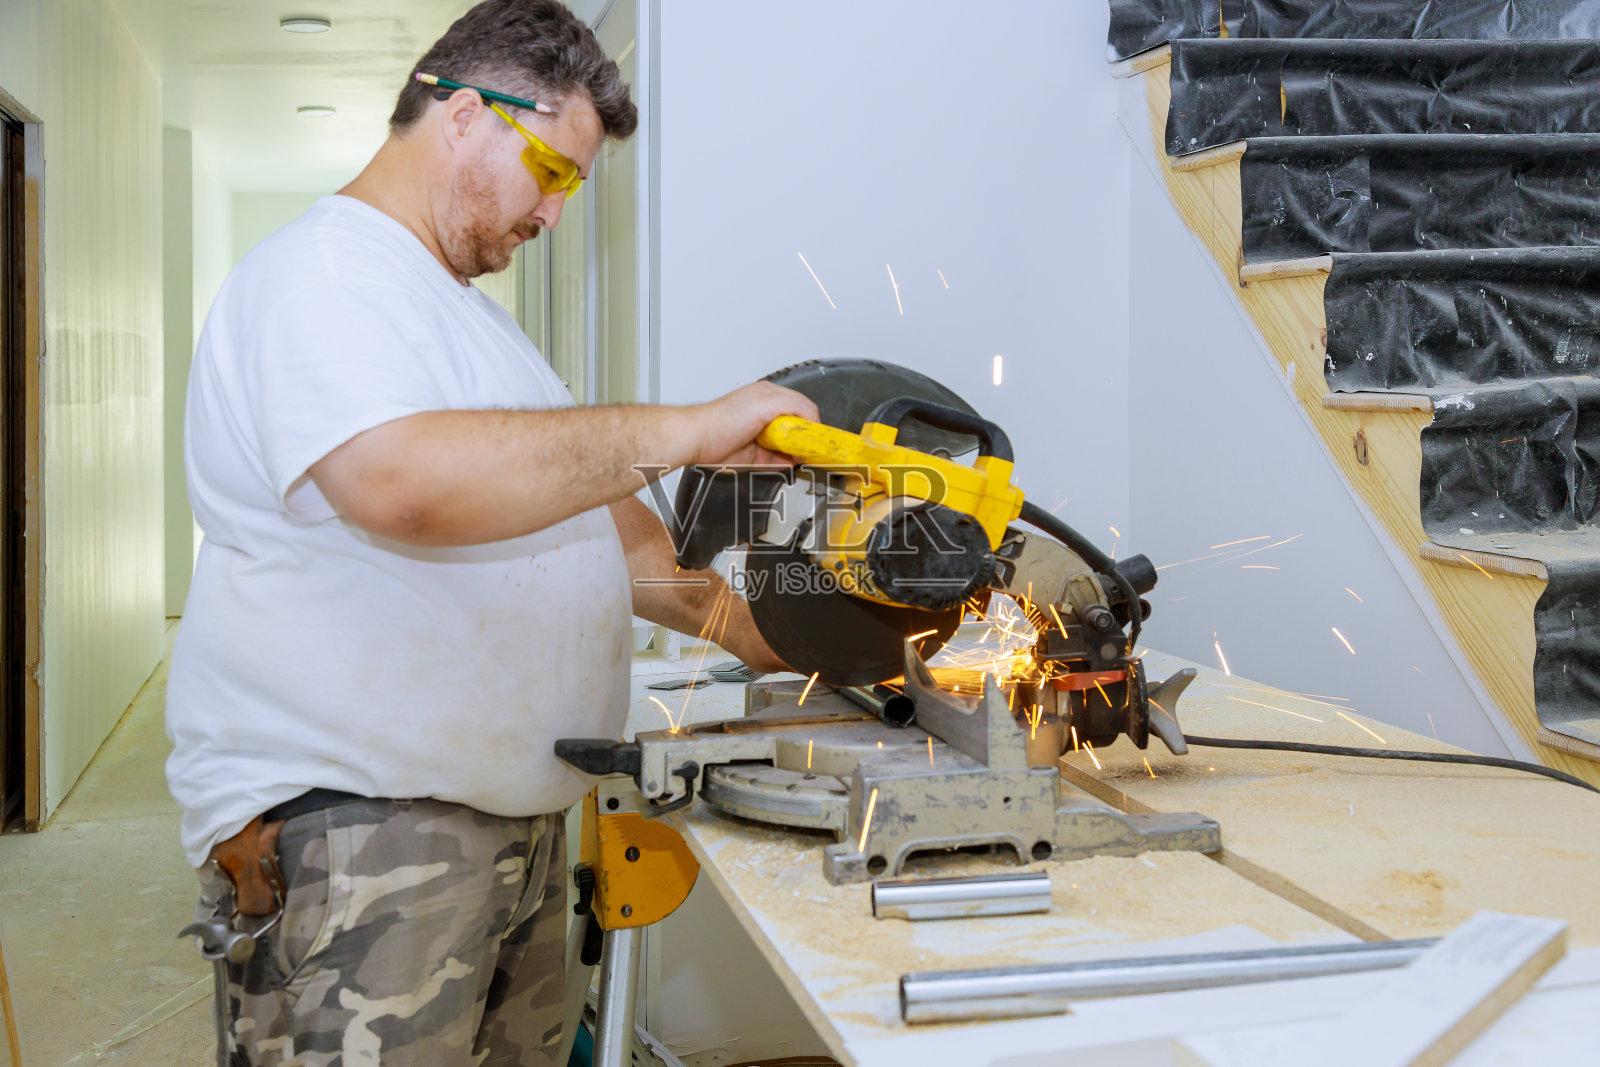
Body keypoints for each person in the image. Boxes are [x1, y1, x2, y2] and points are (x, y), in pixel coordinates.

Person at [164, 1, 817, 1062]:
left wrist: (770, 632)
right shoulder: (323, 275)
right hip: (362, 831)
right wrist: (689, 430)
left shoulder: (468, 317)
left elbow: (601, 524)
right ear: (463, 113)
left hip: (498, 829)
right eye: (552, 172)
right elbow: (401, 484)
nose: (554, 213)